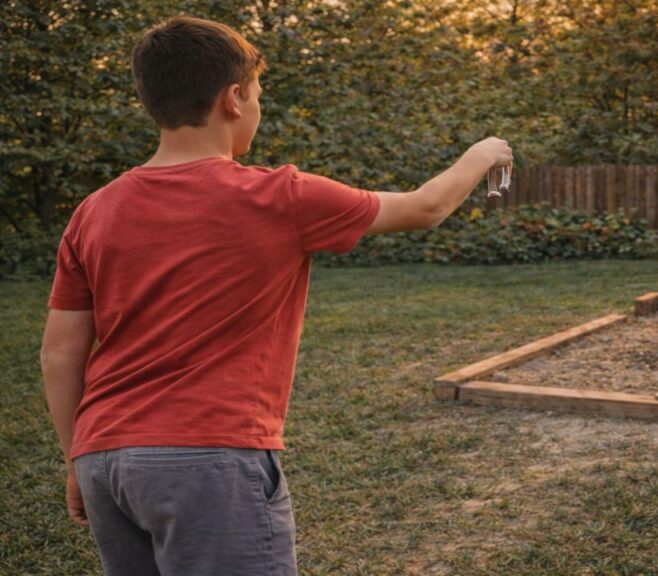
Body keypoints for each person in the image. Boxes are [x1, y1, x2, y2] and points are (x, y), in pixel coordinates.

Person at [40, 16, 512, 576]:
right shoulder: (278, 196)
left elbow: (60, 352)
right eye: (259, 96)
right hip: (208, 458)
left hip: (104, 461)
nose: (258, 110)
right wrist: (484, 153)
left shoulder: (94, 211)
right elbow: (425, 207)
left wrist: (77, 460)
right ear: (233, 99)